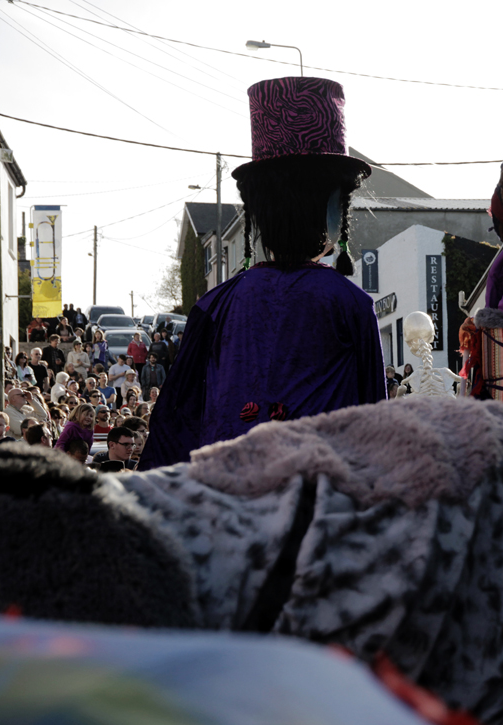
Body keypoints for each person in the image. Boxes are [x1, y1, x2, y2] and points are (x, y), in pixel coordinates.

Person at [142, 78, 386, 469]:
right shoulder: (350, 302)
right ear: (334, 208)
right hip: (322, 497)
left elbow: (177, 415)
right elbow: (375, 419)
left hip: (228, 495)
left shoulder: (216, 304)